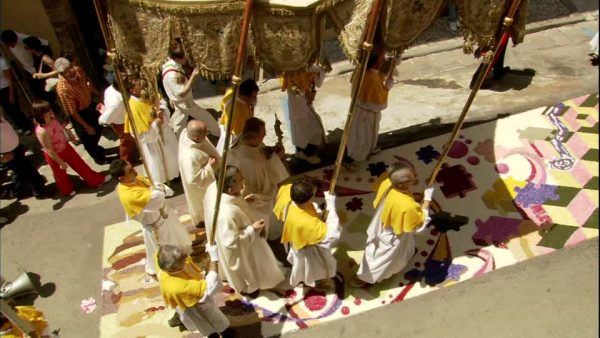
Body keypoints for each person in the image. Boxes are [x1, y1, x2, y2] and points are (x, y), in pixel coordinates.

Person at [203, 166, 285, 298]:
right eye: (240, 180)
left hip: (248, 235)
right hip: (246, 248)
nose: (244, 182)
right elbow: (230, 242)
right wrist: (253, 229)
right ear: (230, 188)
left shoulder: (218, 188)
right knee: (256, 267)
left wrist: (242, 201)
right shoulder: (225, 213)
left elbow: (235, 203)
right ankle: (254, 287)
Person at [353, 162, 435, 287]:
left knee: (404, 248)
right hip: (392, 235)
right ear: (402, 185)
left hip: (384, 221)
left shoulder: (386, 181)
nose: (414, 177)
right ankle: (364, 278)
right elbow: (419, 225)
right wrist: (428, 198)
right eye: (411, 178)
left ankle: (407, 255)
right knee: (380, 259)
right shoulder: (408, 206)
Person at [111, 159, 190, 276]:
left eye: (132, 167)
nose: (135, 171)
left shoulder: (133, 179)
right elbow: (157, 197)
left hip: (162, 217)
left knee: (177, 238)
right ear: (121, 178)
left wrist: (158, 188)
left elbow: (155, 185)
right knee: (166, 251)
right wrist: (158, 189)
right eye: (130, 171)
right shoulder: (128, 194)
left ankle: (182, 255)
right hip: (155, 226)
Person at [32, 100, 109, 196]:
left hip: (65, 147)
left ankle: (96, 181)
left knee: (81, 165)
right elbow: (49, 150)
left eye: (49, 109)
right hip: (55, 154)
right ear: (40, 115)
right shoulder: (41, 131)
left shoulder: (53, 119)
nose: (50, 111)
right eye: (47, 110)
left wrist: (69, 135)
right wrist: (60, 162)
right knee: (60, 174)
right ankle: (67, 191)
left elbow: (61, 128)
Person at [274, 177, 341, 290]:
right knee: (318, 267)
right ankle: (320, 283)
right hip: (308, 246)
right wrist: (331, 205)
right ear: (308, 199)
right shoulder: (306, 223)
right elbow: (331, 234)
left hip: (295, 234)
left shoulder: (286, 190)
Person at [228, 117, 289, 240]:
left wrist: (270, 151)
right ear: (254, 137)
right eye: (263, 134)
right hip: (257, 198)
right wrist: (276, 158)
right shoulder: (247, 161)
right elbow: (266, 178)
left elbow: (260, 151)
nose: (265, 135)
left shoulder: (243, 139)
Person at [156, 244, 234, 337]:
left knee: (204, 321)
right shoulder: (178, 286)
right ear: (173, 268)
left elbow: (177, 255)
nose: (187, 260)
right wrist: (214, 258)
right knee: (210, 318)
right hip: (195, 304)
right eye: (183, 261)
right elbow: (210, 285)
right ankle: (220, 334)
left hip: (187, 297)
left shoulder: (162, 260)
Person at [344, 53, 394, 171]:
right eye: (381, 59)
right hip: (366, 113)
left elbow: (379, 74)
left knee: (365, 136)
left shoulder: (362, 67)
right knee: (360, 138)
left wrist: (392, 63)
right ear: (374, 62)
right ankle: (349, 160)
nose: (383, 61)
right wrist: (387, 88)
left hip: (360, 109)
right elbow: (379, 104)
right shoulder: (370, 78)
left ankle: (369, 149)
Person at [54, 57, 108, 165]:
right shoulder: (63, 89)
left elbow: (88, 82)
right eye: (66, 72)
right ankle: (98, 157)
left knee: (100, 125)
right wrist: (86, 126)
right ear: (62, 74)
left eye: (70, 68)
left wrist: (97, 93)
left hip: (89, 105)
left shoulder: (78, 70)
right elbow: (72, 112)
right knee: (88, 137)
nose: (70, 72)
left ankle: (97, 148)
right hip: (79, 114)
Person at [125, 77, 178, 183]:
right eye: (139, 84)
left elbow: (161, 102)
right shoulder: (133, 108)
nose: (144, 85)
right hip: (154, 143)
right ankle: (162, 183)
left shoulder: (149, 95)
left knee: (173, 159)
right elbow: (142, 136)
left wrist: (162, 110)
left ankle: (176, 175)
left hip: (166, 134)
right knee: (159, 165)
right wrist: (155, 124)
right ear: (132, 90)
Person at [160, 45, 220, 138]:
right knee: (206, 116)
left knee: (179, 123)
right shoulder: (172, 74)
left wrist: (171, 96)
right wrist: (193, 76)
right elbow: (182, 93)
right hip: (185, 102)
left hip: (178, 101)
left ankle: (176, 139)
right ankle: (218, 133)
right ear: (177, 58)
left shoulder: (169, 64)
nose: (187, 59)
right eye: (185, 57)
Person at [280, 62, 326, 164]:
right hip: (298, 107)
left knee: (307, 131)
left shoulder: (310, 67)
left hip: (305, 105)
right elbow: (294, 90)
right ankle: (307, 154)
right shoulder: (291, 71)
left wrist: (319, 70)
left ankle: (302, 152)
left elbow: (317, 82)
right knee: (310, 131)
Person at [178, 119, 221, 227]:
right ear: (196, 138)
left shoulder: (188, 134)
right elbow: (193, 179)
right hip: (202, 189)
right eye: (205, 133)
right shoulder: (188, 156)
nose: (207, 135)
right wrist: (209, 166)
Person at [1, 113, 48, 199]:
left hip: (16, 147)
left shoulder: (1, 117)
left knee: (25, 169)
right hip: (7, 153)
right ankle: (24, 192)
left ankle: (36, 189)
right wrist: (1, 157)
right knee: (21, 171)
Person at [98, 80, 140, 164]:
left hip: (123, 119)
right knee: (127, 142)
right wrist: (104, 112)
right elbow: (103, 120)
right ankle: (125, 162)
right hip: (122, 123)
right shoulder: (117, 102)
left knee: (129, 141)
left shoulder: (110, 89)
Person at [216, 79, 259, 154]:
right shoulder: (239, 112)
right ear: (245, 97)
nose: (255, 99)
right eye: (253, 97)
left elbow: (222, 106)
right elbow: (239, 133)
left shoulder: (232, 91)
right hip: (233, 136)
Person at [1, 54, 34, 134]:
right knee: (8, 111)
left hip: (6, 88)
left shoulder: (2, 62)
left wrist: (11, 93)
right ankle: (20, 126)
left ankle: (27, 126)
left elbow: (9, 78)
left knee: (15, 109)